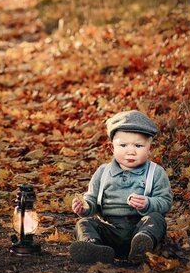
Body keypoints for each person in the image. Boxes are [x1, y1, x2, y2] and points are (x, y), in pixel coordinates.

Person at [70, 110, 173, 264]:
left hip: (139, 226)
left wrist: (148, 203)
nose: (131, 151)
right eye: (123, 145)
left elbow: (165, 201)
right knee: (84, 223)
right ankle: (94, 247)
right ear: (112, 148)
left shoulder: (155, 172)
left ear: (149, 148)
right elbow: (91, 200)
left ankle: (142, 246)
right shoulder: (103, 172)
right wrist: (84, 207)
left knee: (156, 219)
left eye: (138, 145)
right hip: (110, 229)